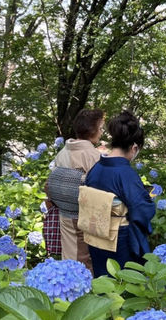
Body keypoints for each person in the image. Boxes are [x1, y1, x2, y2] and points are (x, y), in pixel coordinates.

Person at [83, 110, 156, 277]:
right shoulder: (125, 173)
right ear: (134, 147)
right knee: (123, 283)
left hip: (95, 237)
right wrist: (148, 200)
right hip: (119, 241)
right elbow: (142, 210)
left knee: (103, 280)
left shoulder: (96, 168)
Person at [46, 109, 105, 272]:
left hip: (63, 212)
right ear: (92, 130)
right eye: (100, 128)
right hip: (83, 215)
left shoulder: (63, 152)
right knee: (84, 261)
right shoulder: (92, 156)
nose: (101, 133)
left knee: (69, 255)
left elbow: (50, 183)